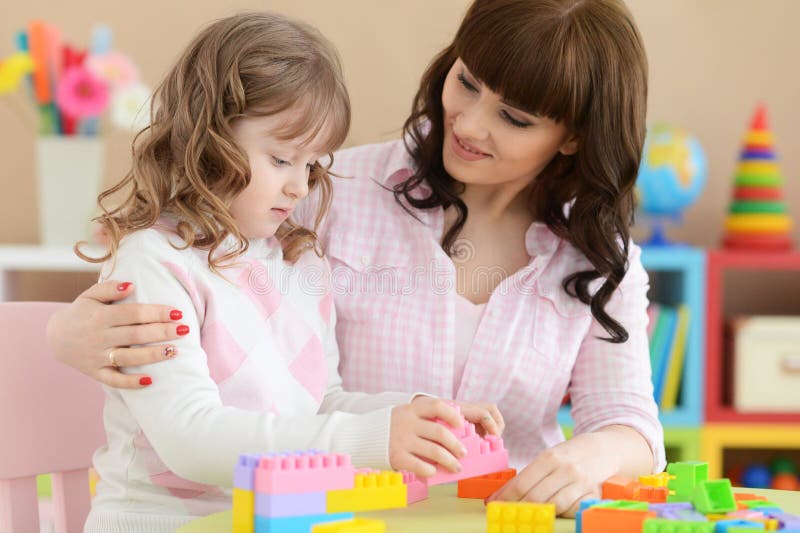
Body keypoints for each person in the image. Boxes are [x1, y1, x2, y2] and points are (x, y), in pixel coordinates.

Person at [48, 0, 664, 517]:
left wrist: (595, 455)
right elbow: (185, 287)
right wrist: (63, 331)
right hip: (334, 516)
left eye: (513, 117)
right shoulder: (321, 196)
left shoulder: (600, 261)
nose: (470, 124)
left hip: (494, 520)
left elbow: (631, 425)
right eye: (468, 82)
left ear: (574, 136)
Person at [72, 12, 502, 532]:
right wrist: (370, 440)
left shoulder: (298, 263)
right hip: (162, 521)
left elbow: (320, 400)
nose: (301, 188)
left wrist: (420, 416)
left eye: (313, 165)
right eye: (281, 160)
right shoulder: (155, 263)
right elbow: (190, 439)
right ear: (207, 138)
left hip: (277, 519)